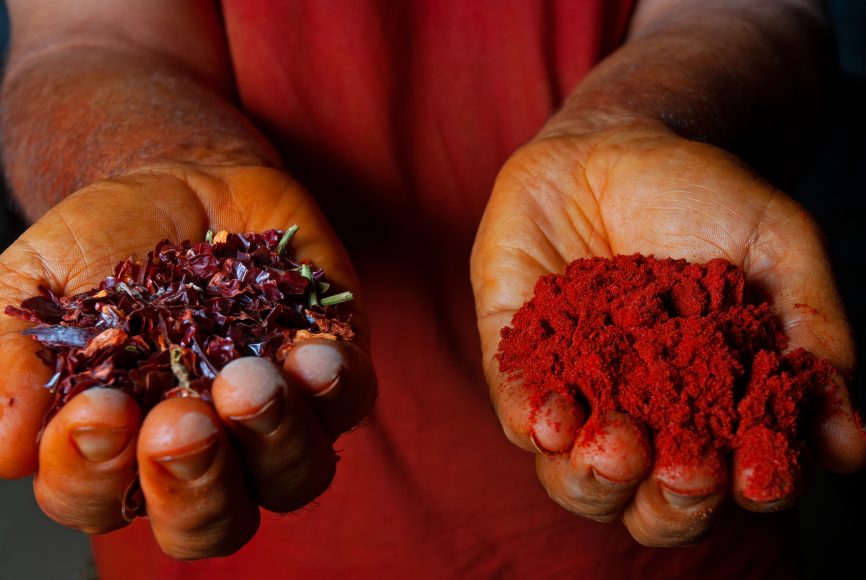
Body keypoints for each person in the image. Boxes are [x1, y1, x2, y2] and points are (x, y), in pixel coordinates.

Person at [0, 0, 863, 577]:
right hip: (238, 520)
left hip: (653, 532)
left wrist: (638, 120)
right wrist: (152, 162)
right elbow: (88, 33)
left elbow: (755, 8)